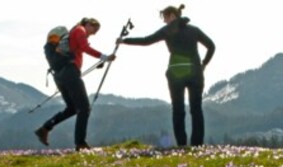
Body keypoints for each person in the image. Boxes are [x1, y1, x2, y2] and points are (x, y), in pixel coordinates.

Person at [117, 4, 214, 147]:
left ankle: (182, 144)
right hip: (195, 72)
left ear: (172, 16)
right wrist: (204, 64)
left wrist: (124, 41)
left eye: (165, 18)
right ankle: (197, 145)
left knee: (178, 110)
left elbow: (146, 41)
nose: (164, 21)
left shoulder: (167, 30)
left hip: (175, 74)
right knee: (196, 109)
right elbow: (212, 46)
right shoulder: (194, 30)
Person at [35, 18, 114, 151]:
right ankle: (80, 143)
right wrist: (103, 56)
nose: (92, 34)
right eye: (93, 30)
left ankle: (45, 128)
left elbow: (79, 49)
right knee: (84, 108)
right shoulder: (79, 30)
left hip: (59, 75)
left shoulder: (72, 34)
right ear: (88, 24)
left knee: (72, 108)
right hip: (70, 72)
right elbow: (85, 47)